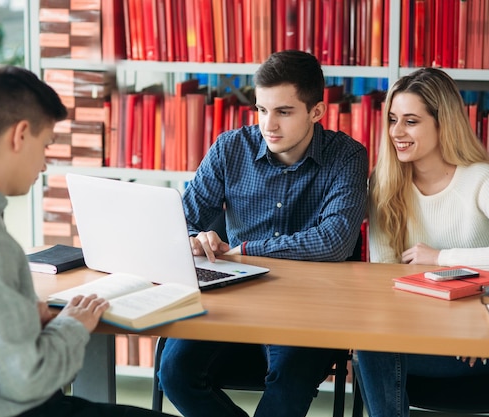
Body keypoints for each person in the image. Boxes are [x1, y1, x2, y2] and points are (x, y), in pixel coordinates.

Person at [0, 64, 176, 417]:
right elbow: (27, 379)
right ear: (20, 135)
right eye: (46, 145)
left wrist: (21, 321)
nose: (44, 164)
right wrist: (72, 325)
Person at [158, 50, 369, 417]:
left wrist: (242, 250)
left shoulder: (346, 156)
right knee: (174, 373)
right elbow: (181, 220)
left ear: (316, 112)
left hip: (310, 302)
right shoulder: (229, 148)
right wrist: (195, 237)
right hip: (233, 296)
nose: (268, 125)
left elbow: (334, 241)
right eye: (261, 110)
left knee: (289, 381)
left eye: (284, 112)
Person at [353, 67, 489, 417]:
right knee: (369, 343)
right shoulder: (385, 183)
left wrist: (440, 257)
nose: (396, 132)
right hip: (418, 331)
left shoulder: (481, 179)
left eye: (411, 121)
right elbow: (384, 277)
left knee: (373, 350)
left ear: (443, 124)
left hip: (484, 340)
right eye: (393, 119)